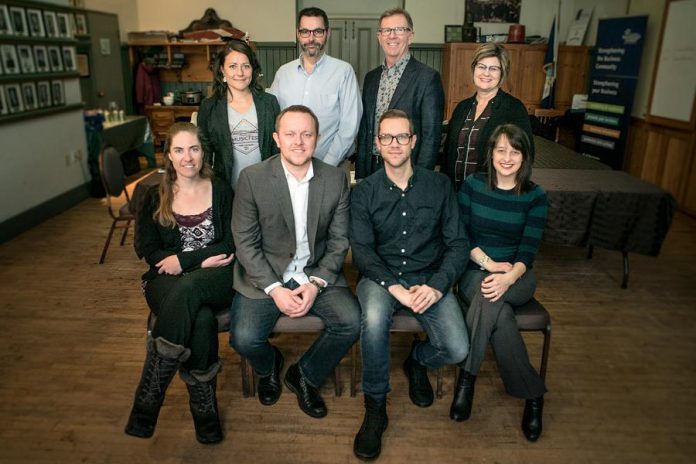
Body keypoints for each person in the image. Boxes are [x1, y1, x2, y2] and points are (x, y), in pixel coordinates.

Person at [350, 109, 470, 460]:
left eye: (402, 136)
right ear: (377, 143)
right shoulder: (364, 191)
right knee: (372, 321)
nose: (395, 144)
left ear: (414, 141)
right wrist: (392, 286)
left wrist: (437, 285)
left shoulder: (440, 185)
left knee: (456, 349)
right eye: (386, 137)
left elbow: (458, 244)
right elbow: (362, 251)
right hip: (380, 277)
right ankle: (375, 407)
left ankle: (417, 360)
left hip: (428, 277)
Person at [230, 105, 360, 419]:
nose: (298, 141)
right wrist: (275, 289)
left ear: (317, 139)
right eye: (290, 134)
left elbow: (339, 240)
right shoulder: (252, 178)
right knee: (244, 338)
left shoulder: (335, 178)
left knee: (351, 322)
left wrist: (315, 284)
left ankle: (304, 375)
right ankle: (268, 365)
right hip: (266, 276)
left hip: (316, 273)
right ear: (276, 138)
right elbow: (245, 244)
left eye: (306, 134)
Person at [125, 122, 235, 444]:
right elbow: (148, 250)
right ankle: (205, 410)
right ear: (168, 156)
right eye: (179, 150)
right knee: (199, 318)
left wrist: (187, 261)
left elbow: (229, 245)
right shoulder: (151, 193)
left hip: (217, 276)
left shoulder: (222, 189)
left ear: (203, 152)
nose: (188, 157)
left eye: (194, 149)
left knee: (191, 288)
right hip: (164, 278)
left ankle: (149, 397)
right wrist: (190, 261)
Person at [452, 124, 547, 442]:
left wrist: (508, 277)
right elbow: (462, 237)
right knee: (496, 308)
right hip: (475, 270)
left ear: (525, 157)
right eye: (501, 150)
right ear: (490, 153)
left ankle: (466, 380)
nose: (507, 157)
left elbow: (528, 250)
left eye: (515, 151)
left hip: (518, 275)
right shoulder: (472, 186)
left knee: (491, 297)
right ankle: (533, 394)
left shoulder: (535, 196)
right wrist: (491, 266)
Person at [355, 8, 444, 180]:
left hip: (408, 172)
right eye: (386, 30)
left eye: (399, 30)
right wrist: (361, 174)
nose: (392, 36)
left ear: (410, 36)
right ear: (379, 37)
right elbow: (365, 130)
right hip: (372, 170)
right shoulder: (371, 78)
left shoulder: (427, 78)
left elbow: (431, 137)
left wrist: (419, 180)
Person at [268, 7, 361, 167]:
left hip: (334, 166)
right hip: (290, 168)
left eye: (317, 31)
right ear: (298, 34)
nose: (311, 38)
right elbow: (273, 119)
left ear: (327, 33)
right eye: (305, 31)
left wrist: (328, 165)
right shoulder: (283, 74)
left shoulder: (343, 72)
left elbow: (349, 126)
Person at [442, 43, 535, 190]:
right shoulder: (462, 108)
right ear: (474, 69)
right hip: (455, 193)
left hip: (489, 195)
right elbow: (448, 154)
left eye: (493, 68)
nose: (486, 73)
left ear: (502, 73)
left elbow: (527, 155)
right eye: (481, 66)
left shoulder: (514, 108)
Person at [198, 39, 280, 190]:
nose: (240, 73)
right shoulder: (209, 107)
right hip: (226, 188)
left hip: (266, 187)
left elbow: (277, 149)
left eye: (245, 66)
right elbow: (204, 154)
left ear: (253, 69)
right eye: (233, 66)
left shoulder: (269, 103)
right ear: (222, 70)